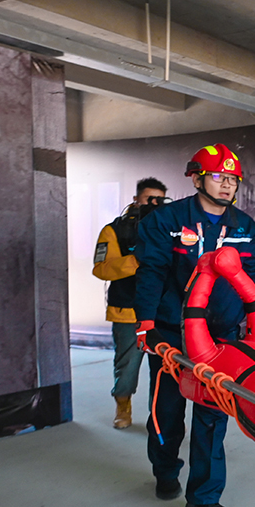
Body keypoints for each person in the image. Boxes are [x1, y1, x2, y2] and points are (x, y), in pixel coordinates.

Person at [133, 144, 255, 507]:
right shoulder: (167, 220)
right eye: (219, 177)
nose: (227, 185)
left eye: (232, 179)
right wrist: (145, 323)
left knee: (211, 415)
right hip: (171, 334)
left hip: (220, 337)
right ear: (197, 178)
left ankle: (204, 496)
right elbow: (152, 272)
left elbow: (254, 276)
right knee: (167, 411)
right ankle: (165, 469)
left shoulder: (244, 226)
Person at [92, 177, 167, 429]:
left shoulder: (169, 229)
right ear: (136, 200)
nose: (155, 204)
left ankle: (157, 418)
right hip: (127, 312)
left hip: (162, 313)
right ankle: (122, 407)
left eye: (160, 200)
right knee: (126, 367)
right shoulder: (114, 231)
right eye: (149, 199)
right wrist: (136, 261)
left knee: (164, 372)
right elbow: (101, 269)